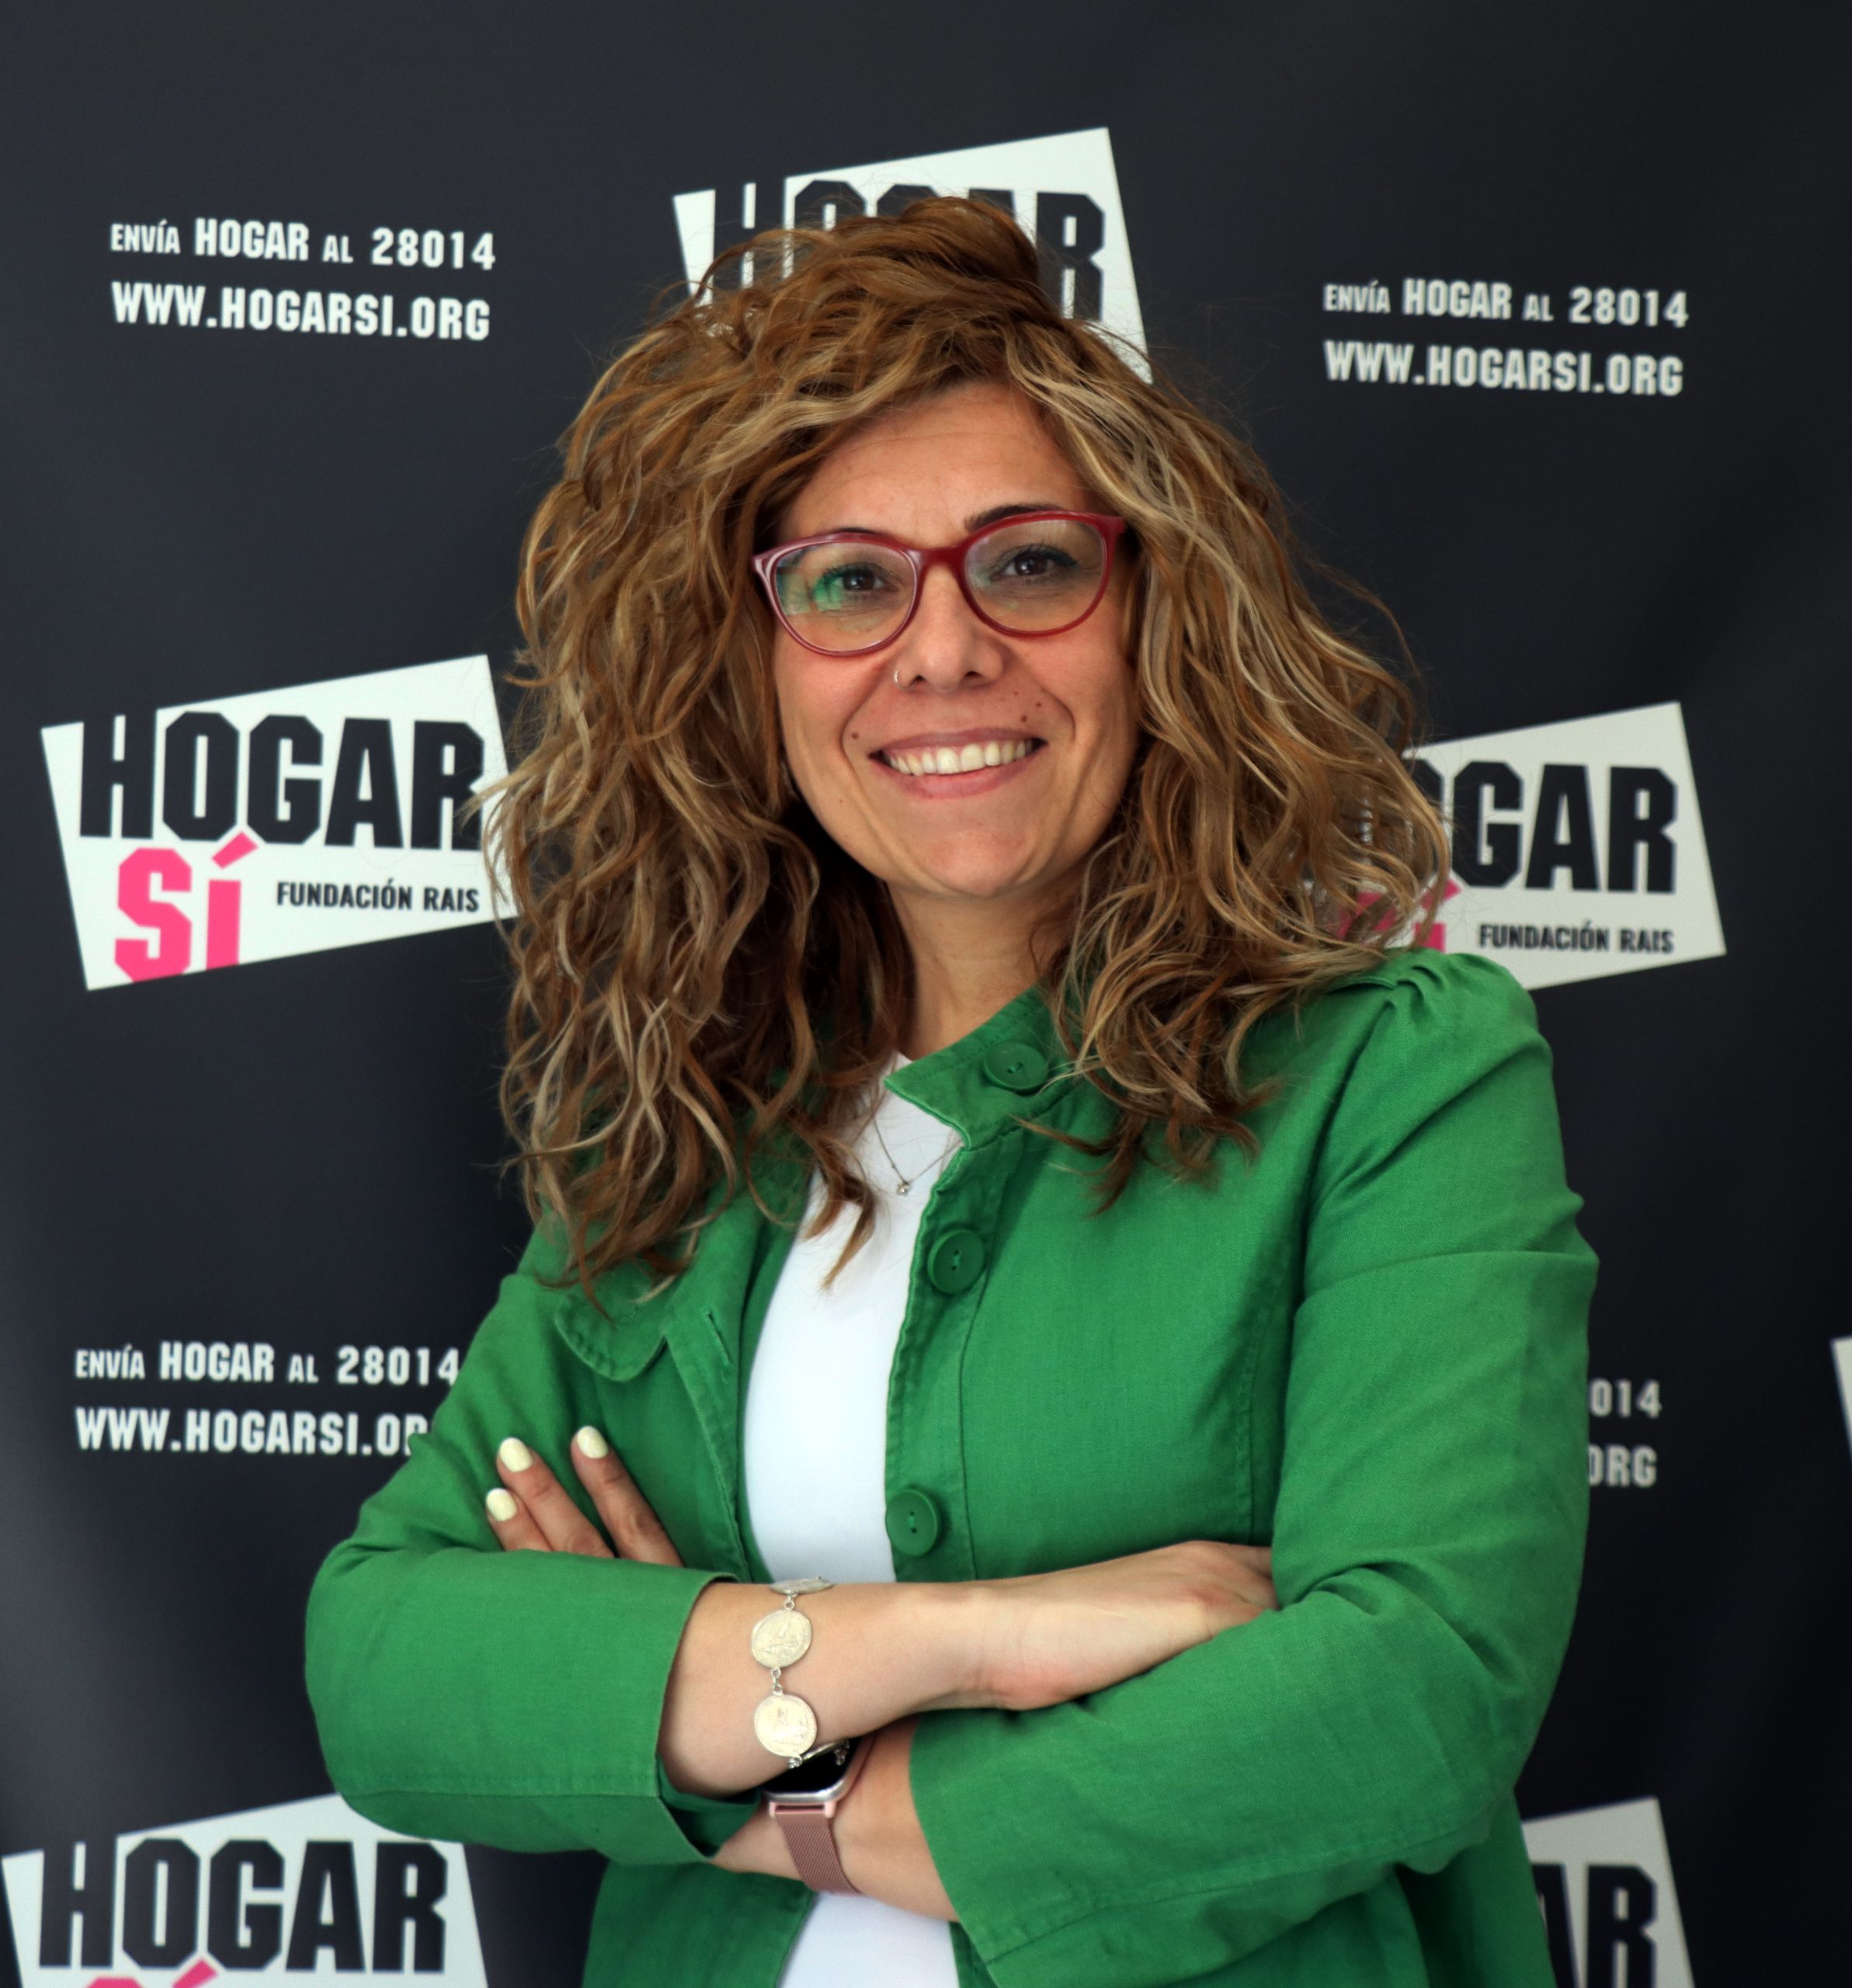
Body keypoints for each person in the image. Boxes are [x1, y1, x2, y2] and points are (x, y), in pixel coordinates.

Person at [305, 196, 1594, 1988]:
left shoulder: (1391, 1070)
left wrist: (724, 1739)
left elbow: (1407, 1699)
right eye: (847, 579)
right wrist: (979, 1634)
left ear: (1153, 615)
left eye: (1029, 563)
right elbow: (386, 1667)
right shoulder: (678, 1125)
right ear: (752, 667)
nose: (943, 649)